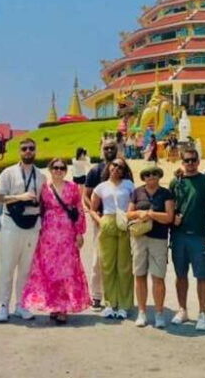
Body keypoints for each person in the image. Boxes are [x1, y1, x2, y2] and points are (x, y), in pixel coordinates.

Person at [21, 158, 90, 323]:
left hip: (66, 233)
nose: (58, 171)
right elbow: (40, 210)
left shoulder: (73, 188)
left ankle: (63, 307)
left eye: (62, 168)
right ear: (50, 170)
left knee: (65, 271)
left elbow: (79, 210)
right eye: (55, 168)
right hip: (48, 234)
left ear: (66, 171)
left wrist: (79, 233)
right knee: (50, 270)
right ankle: (53, 304)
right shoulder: (44, 188)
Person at [0, 138, 45, 323]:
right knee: (7, 266)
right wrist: (20, 197)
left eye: (32, 148)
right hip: (11, 225)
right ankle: (3, 305)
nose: (28, 151)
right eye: (25, 149)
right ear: (19, 152)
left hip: (32, 225)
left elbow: (44, 201)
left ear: (35, 151)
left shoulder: (41, 176)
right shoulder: (8, 173)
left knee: (26, 268)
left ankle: (21, 305)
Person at [169, 148, 205, 331]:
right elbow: (170, 206)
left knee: (202, 276)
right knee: (180, 275)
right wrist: (173, 218)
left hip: (199, 235)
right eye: (186, 160)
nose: (190, 164)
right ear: (182, 162)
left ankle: (202, 313)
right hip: (179, 235)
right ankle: (182, 310)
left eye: (193, 160)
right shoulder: (176, 182)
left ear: (198, 161)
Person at [127, 167, 174, 328]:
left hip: (158, 239)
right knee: (139, 275)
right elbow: (129, 214)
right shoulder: (137, 192)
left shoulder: (166, 193)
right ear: (143, 177)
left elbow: (169, 217)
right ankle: (142, 312)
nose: (151, 177)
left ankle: (159, 313)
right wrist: (140, 213)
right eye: (147, 175)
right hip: (139, 237)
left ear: (159, 176)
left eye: (154, 174)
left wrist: (152, 214)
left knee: (158, 277)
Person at [90, 159, 135, 319]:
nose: (116, 168)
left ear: (124, 170)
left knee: (124, 266)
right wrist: (100, 221)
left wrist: (128, 216)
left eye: (120, 167)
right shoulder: (101, 187)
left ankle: (124, 304)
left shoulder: (129, 184)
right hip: (107, 221)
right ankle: (110, 303)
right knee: (107, 265)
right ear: (109, 167)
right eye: (114, 165)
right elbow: (93, 209)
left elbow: (133, 202)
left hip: (123, 221)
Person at [82, 138, 121, 310]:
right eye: (106, 148)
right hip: (101, 220)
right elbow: (86, 195)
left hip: (120, 221)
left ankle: (113, 295)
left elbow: (131, 193)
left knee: (118, 259)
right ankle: (96, 295)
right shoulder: (95, 171)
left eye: (112, 148)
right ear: (101, 149)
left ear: (117, 149)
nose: (109, 151)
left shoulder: (123, 170)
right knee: (98, 259)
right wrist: (94, 212)